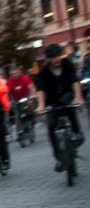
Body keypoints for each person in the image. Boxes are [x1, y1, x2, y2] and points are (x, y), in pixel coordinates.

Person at [35, 43, 85, 172]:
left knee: (68, 106)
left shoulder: (67, 64)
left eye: (58, 56)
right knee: (51, 125)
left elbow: (74, 81)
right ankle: (58, 157)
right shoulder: (44, 72)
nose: (56, 59)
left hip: (66, 95)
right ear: (48, 59)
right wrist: (41, 105)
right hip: (52, 100)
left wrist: (78, 97)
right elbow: (40, 89)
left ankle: (76, 133)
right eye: (53, 57)